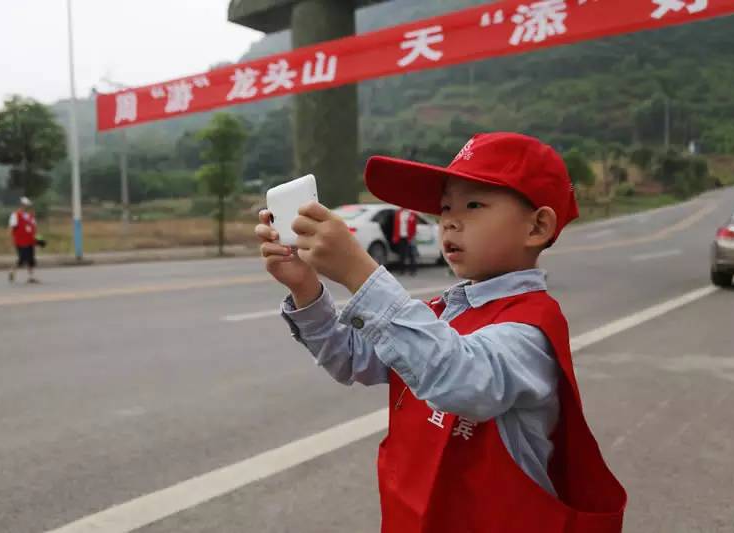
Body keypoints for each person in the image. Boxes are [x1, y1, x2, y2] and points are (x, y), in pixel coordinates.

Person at [255, 132, 626, 532]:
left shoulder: (530, 330)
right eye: (445, 206)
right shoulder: (443, 312)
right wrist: (305, 287)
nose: (449, 220)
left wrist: (358, 273)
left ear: (537, 227)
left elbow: (460, 378)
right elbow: (353, 359)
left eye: (473, 204)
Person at [9, 197, 39, 283]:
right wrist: (12, 239)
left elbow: (34, 227)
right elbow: (12, 228)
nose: (27, 207)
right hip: (20, 240)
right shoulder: (15, 215)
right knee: (22, 258)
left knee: (31, 259)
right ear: (22, 205)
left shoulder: (31, 215)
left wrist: (37, 239)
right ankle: (12, 271)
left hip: (30, 240)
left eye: (28, 205)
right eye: (25, 205)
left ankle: (31, 276)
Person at [392, 207, 418, 275]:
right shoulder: (398, 213)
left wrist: (412, 236)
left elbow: (414, 226)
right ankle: (401, 270)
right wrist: (395, 236)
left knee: (411, 254)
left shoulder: (412, 213)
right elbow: (395, 226)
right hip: (401, 237)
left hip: (409, 237)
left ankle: (412, 270)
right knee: (402, 254)